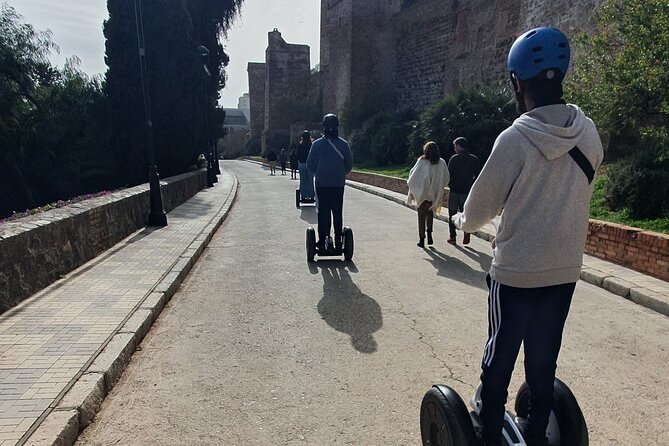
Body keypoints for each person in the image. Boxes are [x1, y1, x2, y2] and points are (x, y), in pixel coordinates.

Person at [450, 27, 603, 446]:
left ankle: (486, 431)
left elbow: (479, 209)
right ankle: (537, 435)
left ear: (517, 83)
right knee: (542, 360)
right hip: (564, 269)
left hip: (516, 273)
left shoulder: (515, 139)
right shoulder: (587, 132)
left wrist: (462, 221)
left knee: (499, 357)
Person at [307, 114, 353, 250]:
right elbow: (349, 165)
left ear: (324, 126)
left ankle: (322, 240)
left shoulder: (316, 145)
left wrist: (320, 173)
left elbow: (310, 165)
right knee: (337, 211)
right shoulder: (344, 144)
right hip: (338, 184)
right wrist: (338, 174)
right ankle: (338, 240)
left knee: (323, 212)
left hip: (322, 184)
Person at [407, 141, 450, 248]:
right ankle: (430, 234)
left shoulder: (421, 161)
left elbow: (413, 177)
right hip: (433, 195)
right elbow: (446, 178)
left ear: (426, 150)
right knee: (430, 214)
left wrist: (414, 189)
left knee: (421, 217)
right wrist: (437, 186)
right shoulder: (442, 162)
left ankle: (422, 240)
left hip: (422, 194)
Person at [447, 136, 480, 245]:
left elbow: (448, 175)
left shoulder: (454, 159)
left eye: (455, 146)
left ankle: (453, 237)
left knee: (452, 214)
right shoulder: (474, 159)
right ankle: (466, 232)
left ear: (458, 145)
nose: (454, 148)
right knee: (465, 213)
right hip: (467, 191)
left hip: (455, 191)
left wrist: (450, 184)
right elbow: (478, 175)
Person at [297, 131, 315, 199]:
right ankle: (311, 195)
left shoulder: (300, 145)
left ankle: (303, 195)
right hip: (310, 164)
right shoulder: (312, 145)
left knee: (303, 180)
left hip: (302, 164)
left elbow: (297, 155)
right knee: (310, 181)